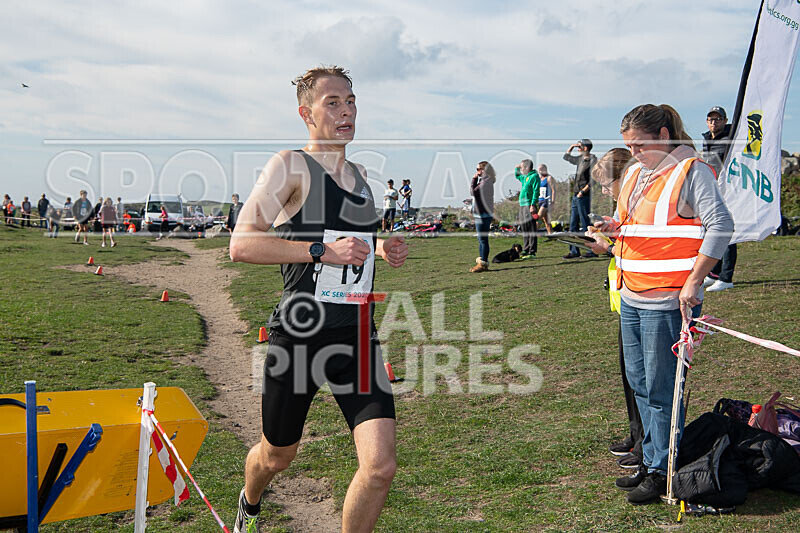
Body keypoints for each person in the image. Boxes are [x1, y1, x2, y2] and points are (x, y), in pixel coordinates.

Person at [229, 65, 408, 533]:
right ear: (306, 113)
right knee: (277, 455)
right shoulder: (290, 166)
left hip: (357, 335)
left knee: (380, 467)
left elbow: (353, 245)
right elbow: (242, 244)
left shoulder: (363, 176)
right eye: (333, 103)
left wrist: (381, 248)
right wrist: (319, 251)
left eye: (351, 100)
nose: (347, 110)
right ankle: (249, 501)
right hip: (301, 335)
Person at [595, 104, 732, 505]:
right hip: (632, 294)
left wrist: (694, 280)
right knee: (639, 383)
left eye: (639, 144)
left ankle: (662, 469)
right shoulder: (638, 174)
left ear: (664, 134)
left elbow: (720, 225)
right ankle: (651, 458)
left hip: (669, 300)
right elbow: (636, 223)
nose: (633, 153)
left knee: (660, 388)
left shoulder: (692, 171)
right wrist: (612, 227)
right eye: (628, 147)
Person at [586, 148, 644, 471]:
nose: (605, 192)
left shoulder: (638, 201)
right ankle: (637, 435)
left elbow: (639, 249)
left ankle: (645, 441)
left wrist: (608, 246)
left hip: (641, 298)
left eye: (607, 185)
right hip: (626, 298)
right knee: (628, 373)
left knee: (640, 377)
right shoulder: (625, 204)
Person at [701, 106, 737, 292]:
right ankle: (713, 273)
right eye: (711, 119)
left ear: (725, 120)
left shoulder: (730, 138)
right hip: (711, 189)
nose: (714, 122)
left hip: (727, 189)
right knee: (711, 230)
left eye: (718, 119)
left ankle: (726, 277)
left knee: (726, 232)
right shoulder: (707, 138)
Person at [563, 139, 597, 258]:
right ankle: (574, 251)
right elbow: (566, 157)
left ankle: (593, 250)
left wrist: (583, 192)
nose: (577, 149)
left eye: (579, 147)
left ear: (585, 148)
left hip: (583, 196)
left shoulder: (593, 160)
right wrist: (572, 146)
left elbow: (593, 180)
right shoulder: (579, 159)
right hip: (575, 196)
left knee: (585, 224)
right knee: (573, 225)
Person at [470, 161, 495, 273]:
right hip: (485, 213)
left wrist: (474, 180)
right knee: (482, 239)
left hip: (482, 214)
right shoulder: (487, 181)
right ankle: (482, 261)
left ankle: (483, 263)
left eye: (478, 169)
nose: (477, 172)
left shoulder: (485, 182)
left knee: (482, 239)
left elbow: (473, 192)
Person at [514, 159, 540, 258]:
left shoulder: (534, 176)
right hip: (522, 205)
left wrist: (533, 205)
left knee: (531, 228)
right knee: (524, 227)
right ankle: (526, 249)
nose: (521, 169)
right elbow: (517, 175)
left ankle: (532, 251)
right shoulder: (525, 177)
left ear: (527, 167)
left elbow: (536, 191)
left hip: (529, 205)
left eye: (522, 167)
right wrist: (517, 167)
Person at [536, 164, 556, 234]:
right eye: (539, 169)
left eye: (541, 169)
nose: (540, 171)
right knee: (546, 221)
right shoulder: (540, 179)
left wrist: (553, 202)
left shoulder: (549, 178)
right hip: (540, 200)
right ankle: (551, 235)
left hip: (546, 201)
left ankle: (532, 234)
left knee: (538, 217)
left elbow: (553, 190)